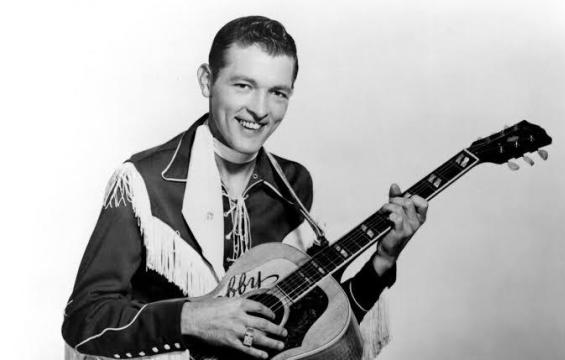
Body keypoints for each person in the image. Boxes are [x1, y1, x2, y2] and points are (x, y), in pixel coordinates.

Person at [62, 16, 428, 360]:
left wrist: (383, 260)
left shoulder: (295, 184)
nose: (260, 109)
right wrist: (191, 318)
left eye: (278, 93)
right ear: (207, 80)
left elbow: (319, 332)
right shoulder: (142, 182)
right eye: (243, 85)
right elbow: (84, 318)